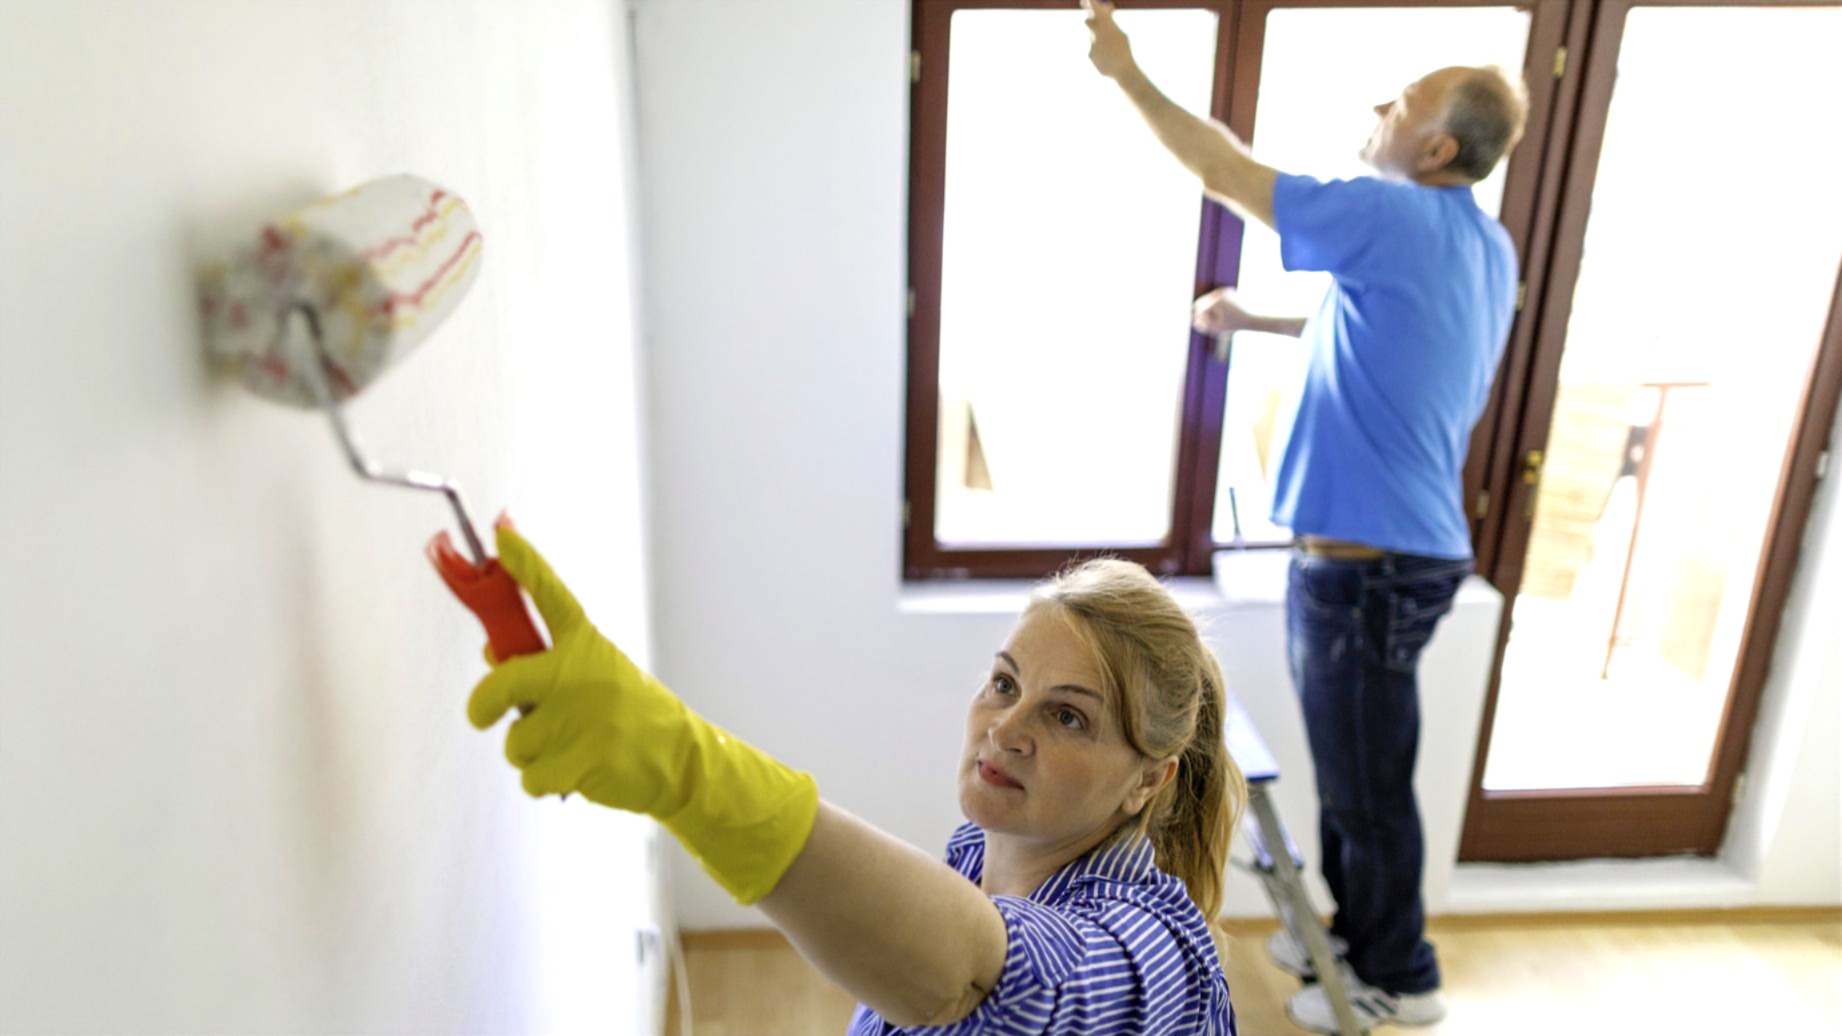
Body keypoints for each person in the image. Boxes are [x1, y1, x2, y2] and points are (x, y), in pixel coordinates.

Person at [1081, 0, 1526, 1030]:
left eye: (1401, 100)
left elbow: (1226, 169)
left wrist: (1129, 74)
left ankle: (1398, 977)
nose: (1379, 105)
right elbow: (1373, 334)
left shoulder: (1396, 213)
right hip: (1396, 558)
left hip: (1367, 569)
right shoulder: (1477, 246)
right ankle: (1356, 929)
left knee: (1368, 784)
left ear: (1438, 144)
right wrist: (1252, 316)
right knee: (1356, 772)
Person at [466, 520, 1245, 1033]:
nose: (1005, 729)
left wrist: (689, 776)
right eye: (1005, 684)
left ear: (1149, 781)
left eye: (1068, 716)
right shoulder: (979, 851)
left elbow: (983, 977)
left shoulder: (1160, 950)